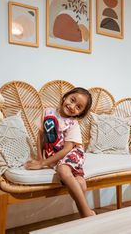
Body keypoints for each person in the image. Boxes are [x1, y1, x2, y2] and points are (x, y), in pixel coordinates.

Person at [25, 87, 95, 217]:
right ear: (65, 97)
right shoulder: (47, 112)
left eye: (78, 107)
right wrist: (40, 160)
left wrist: (43, 163)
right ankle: (87, 214)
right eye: (72, 100)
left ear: (79, 114)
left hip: (74, 153)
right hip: (55, 156)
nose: (72, 106)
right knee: (80, 183)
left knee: (63, 170)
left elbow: (68, 149)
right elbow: (40, 136)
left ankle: (86, 214)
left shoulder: (72, 124)